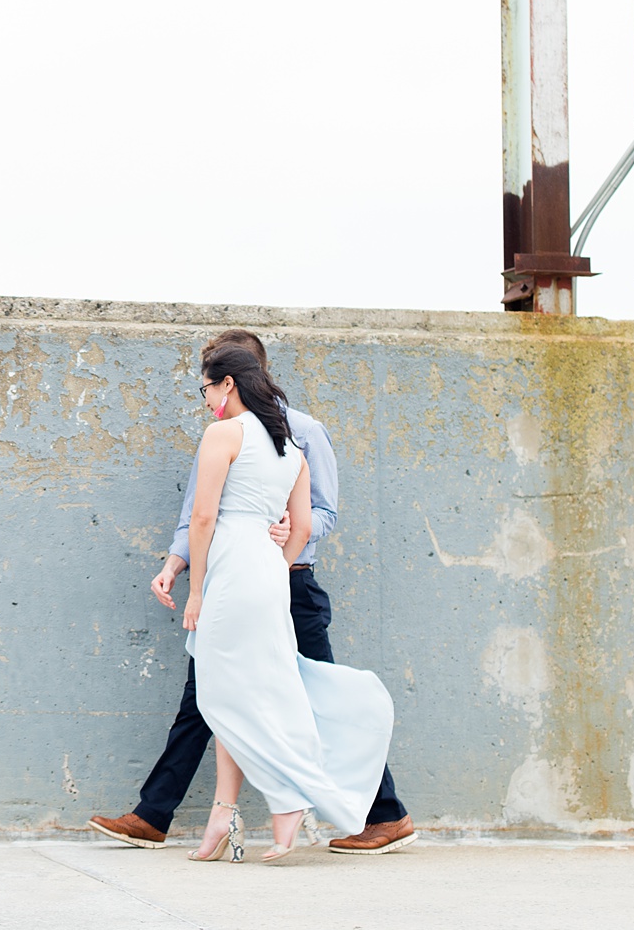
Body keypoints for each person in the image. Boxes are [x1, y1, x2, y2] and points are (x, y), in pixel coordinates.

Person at [89, 330, 416, 857]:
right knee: (209, 696)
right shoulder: (230, 431)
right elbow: (197, 510)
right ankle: (157, 814)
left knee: (302, 689)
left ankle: (383, 813)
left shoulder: (300, 431)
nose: (207, 398)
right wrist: (177, 564)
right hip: (249, 573)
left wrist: (283, 540)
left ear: (236, 377)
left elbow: (318, 515)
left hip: (286, 584)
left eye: (208, 385)